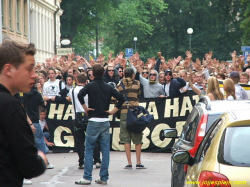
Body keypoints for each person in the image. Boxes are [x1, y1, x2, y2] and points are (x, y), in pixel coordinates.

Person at [0, 40, 47, 187]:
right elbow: (30, 165)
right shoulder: (10, 106)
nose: (34, 75)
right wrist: (41, 159)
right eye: (30, 68)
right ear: (9, 69)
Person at [75, 64, 125, 185]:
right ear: (104, 73)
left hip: (93, 121)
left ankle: (87, 177)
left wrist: (85, 108)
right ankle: (103, 177)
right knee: (105, 150)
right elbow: (121, 98)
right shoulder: (108, 87)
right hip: (105, 121)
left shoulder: (90, 86)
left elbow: (79, 94)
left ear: (92, 74)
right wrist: (113, 110)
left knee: (89, 149)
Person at [116, 68, 147, 169]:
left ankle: (129, 163)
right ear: (133, 75)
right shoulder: (137, 83)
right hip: (135, 113)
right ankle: (138, 162)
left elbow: (114, 99)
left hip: (124, 113)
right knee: (137, 137)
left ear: (124, 75)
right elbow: (138, 95)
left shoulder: (119, 85)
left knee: (126, 139)